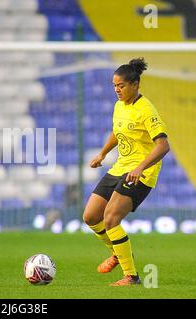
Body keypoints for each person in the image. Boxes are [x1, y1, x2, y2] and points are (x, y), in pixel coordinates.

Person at [83, 58, 170, 286]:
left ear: (135, 84)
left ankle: (131, 276)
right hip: (119, 168)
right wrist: (102, 154)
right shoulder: (119, 106)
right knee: (91, 216)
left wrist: (140, 167)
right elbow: (117, 131)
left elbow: (163, 145)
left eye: (120, 85)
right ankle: (117, 252)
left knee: (111, 218)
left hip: (140, 174)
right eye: (114, 86)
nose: (117, 90)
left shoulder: (146, 109)